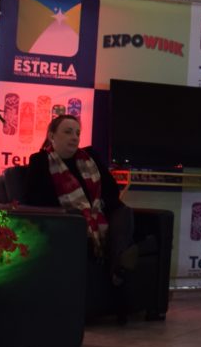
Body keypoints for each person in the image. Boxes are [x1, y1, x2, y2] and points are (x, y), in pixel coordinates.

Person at [21, 113, 138, 290]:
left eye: (77, 133)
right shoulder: (40, 161)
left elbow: (112, 191)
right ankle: (118, 263)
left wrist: (97, 208)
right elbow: (35, 199)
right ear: (52, 136)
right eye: (68, 132)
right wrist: (78, 212)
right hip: (70, 222)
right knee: (80, 223)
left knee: (124, 212)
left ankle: (118, 261)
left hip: (99, 215)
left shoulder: (90, 157)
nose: (74, 137)